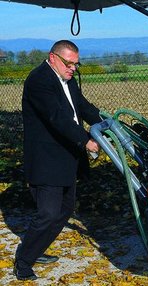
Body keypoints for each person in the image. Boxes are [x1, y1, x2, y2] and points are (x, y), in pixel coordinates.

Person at [14, 40, 101, 281]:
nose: (73, 68)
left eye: (76, 63)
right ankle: (23, 261)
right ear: (53, 58)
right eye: (69, 63)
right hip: (46, 159)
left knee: (64, 210)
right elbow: (57, 118)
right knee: (49, 213)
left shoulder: (67, 80)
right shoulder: (39, 81)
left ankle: (37, 249)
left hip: (66, 157)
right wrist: (86, 140)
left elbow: (81, 106)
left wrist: (102, 122)